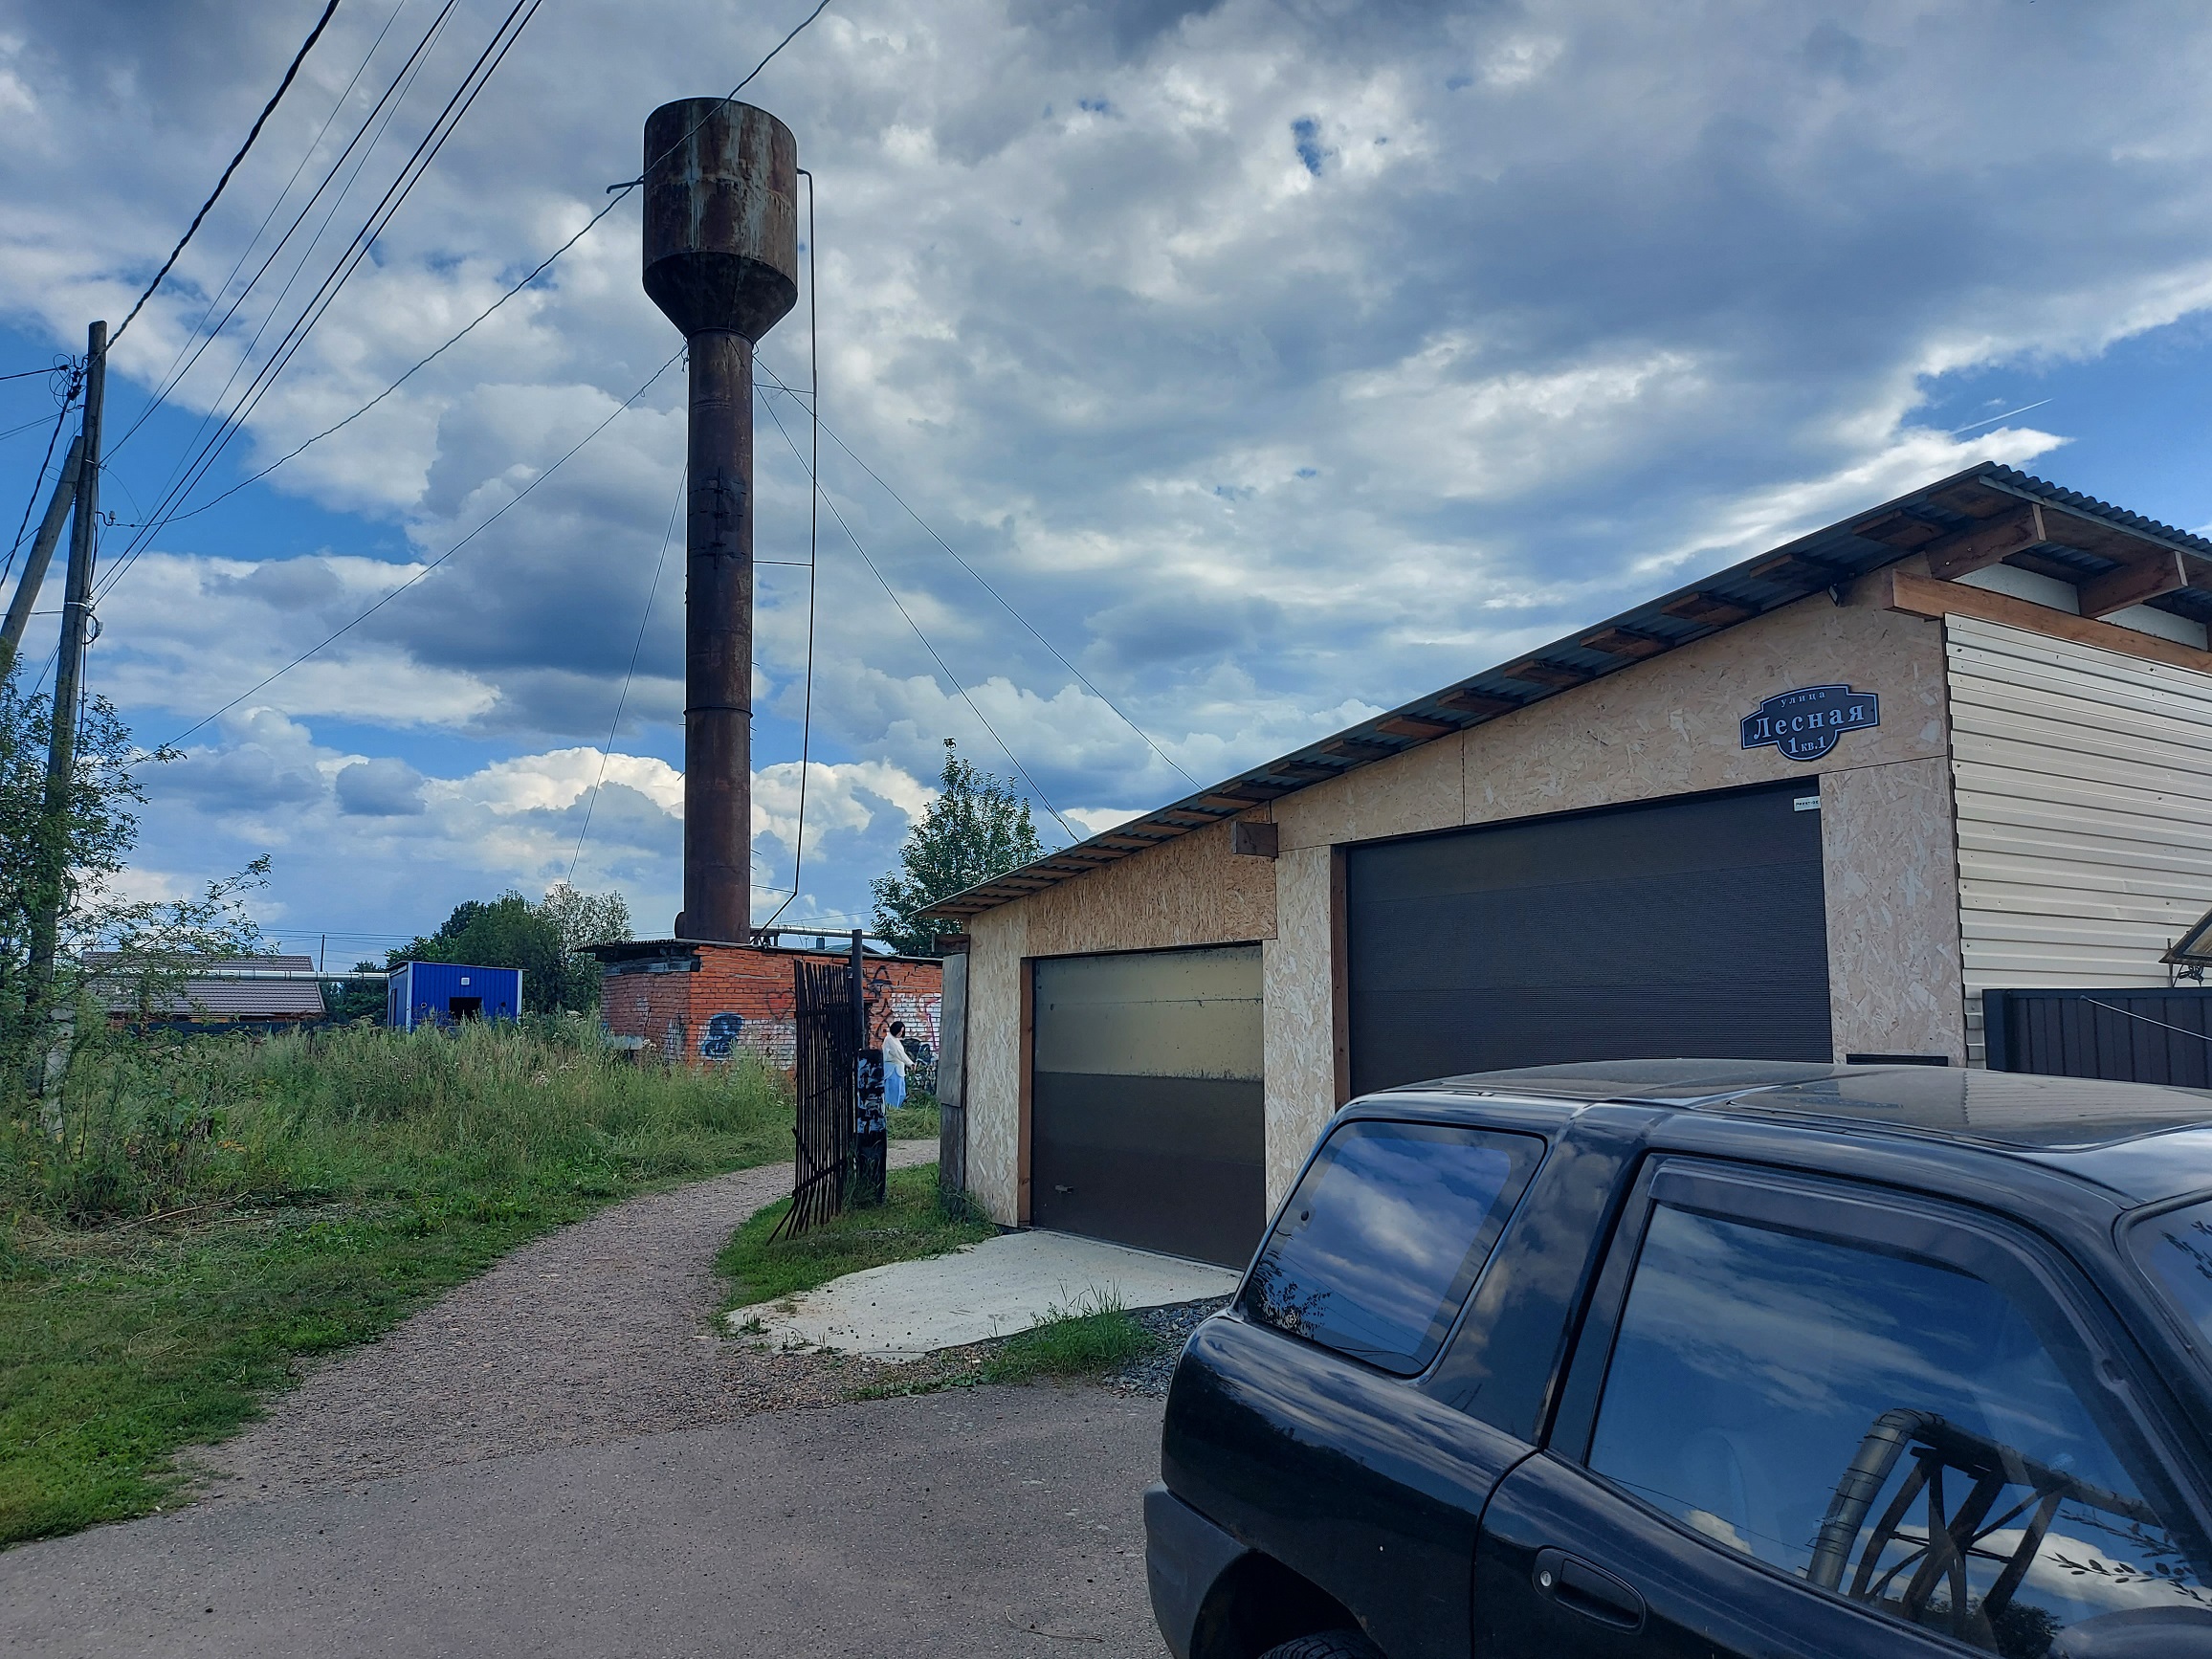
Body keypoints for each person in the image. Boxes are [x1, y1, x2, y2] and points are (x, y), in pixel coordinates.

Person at [881, 1019, 911, 1112]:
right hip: (892, 1070)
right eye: (899, 1031)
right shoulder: (889, 1039)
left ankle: (896, 1110)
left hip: (898, 1070)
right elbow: (898, 1053)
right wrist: (910, 1063)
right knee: (893, 1093)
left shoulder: (895, 1039)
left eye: (902, 1031)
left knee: (901, 1093)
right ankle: (891, 1111)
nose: (901, 1033)